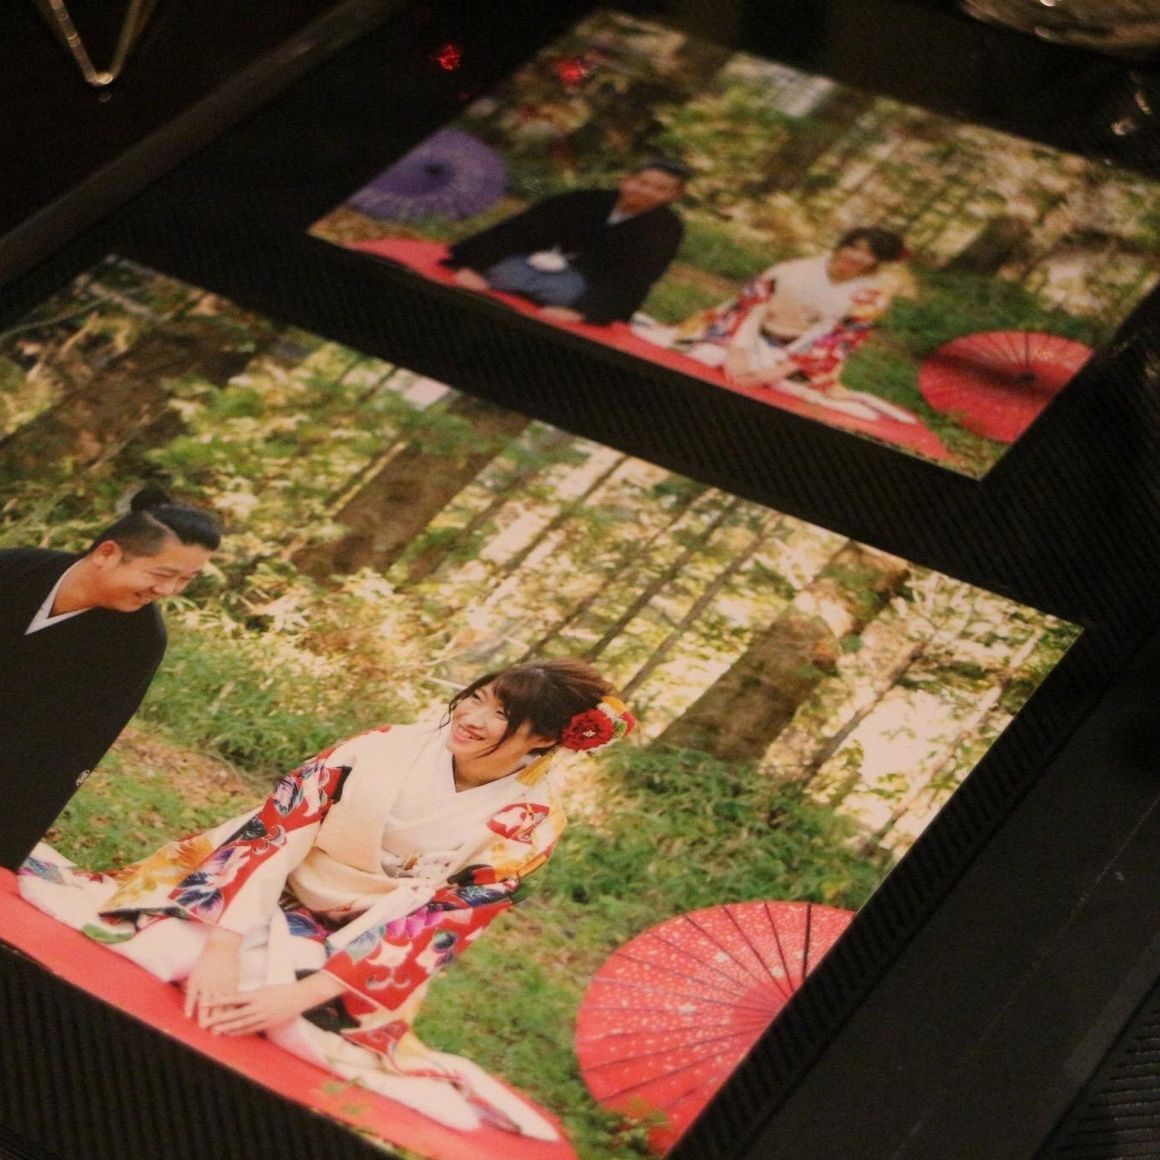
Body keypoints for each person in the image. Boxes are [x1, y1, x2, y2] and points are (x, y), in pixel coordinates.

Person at [19, 660, 635, 1138]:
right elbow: (277, 831)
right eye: (477, 696)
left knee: (291, 1025)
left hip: (360, 934)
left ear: (544, 739)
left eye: (501, 714)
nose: (472, 715)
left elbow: (441, 924)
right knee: (165, 951)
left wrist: (302, 994)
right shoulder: (382, 746)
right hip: (268, 881)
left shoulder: (531, 819)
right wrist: (224, 945)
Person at [0, 488, 221, 869]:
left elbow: (66, 750)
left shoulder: (139, 642)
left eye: (186, 580)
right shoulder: (14, 569)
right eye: (163, 574)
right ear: (107, 553)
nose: (168, 591)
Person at [669, 227, 915, 422]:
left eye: (869, 254)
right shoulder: (795, 269)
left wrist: (778, 371)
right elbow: (750, 305)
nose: (856, 257)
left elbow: (840, 339)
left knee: (784, 386)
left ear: (879, 261)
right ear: (842, 245)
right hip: (749, 335)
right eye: (853, 247)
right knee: (706, 356)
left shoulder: (872, 294)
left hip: (799, 354)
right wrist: (738, 352)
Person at [441, 160, 690, 326]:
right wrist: (473, 266)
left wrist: (584, 312)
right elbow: (519, 230)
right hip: (532, 263)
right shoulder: (584, 199)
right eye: (642, 183)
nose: (645, 191)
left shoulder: (666, 229)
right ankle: (510, 282)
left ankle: (546, 296)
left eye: (660, 189)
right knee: (506, 272)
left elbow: (635, 277)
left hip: (583, 285)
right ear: (627, 179)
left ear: (673, 195)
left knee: (564, 293)